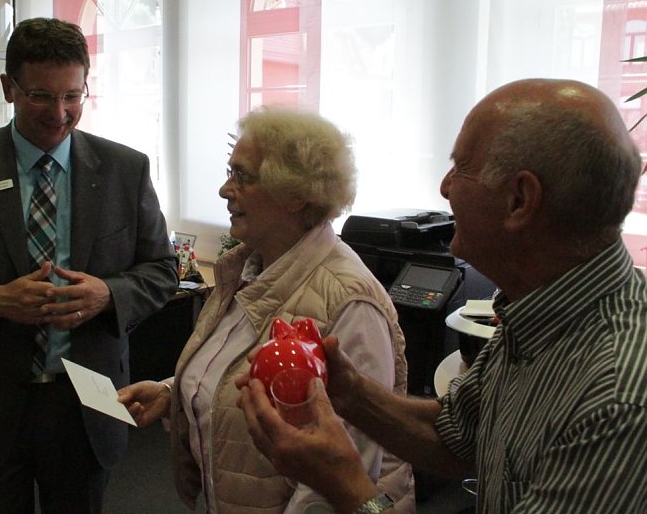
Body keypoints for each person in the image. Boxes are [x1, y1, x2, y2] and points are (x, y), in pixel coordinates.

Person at [237, 78, 647, 513]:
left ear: (520, 200)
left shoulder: (618, 399)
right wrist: (351, 393)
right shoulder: (536, 314)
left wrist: (344, 484)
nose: (445, 187)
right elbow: (457, 436)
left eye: (462, 167)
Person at [0, 17, 178, 513]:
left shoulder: (125, 170)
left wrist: (107, 295)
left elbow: (162, 271)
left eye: (73, 96)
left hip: (86, 405)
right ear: (8, 88)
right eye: (41, 96)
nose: (60, 113)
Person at [117, 107, 415, 513]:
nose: (225, 190)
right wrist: (174, 391)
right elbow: (237, 369)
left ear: (295, 195)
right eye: (230, 172)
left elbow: (342, 476)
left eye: (243, 176)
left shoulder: (349, 300)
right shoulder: (250, 268)